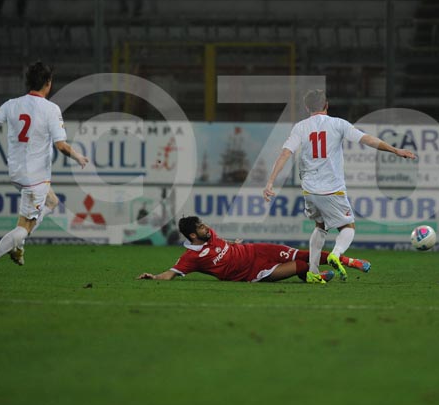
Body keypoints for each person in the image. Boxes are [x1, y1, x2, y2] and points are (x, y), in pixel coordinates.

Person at [262, 89, 416, 282]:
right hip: (331, 188)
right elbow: (367, 139)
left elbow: (285, 153)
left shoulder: (300, 127)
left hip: (309, 189)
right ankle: (336, 253)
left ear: (307, 107)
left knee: (320, 226)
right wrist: (394, 150)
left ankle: (313, 272)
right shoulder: (338, 124)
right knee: (348, 227)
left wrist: (270, 182)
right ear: (326, 104)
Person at [0, 62, 90, 285]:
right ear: (48, 83)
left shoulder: (12, 104)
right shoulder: (51, 109)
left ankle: (18, 247)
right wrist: (78, 156)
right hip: (35, 178)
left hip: (17, 173)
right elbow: (61, 145)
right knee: (25, 227)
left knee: (52, 202)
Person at [136, 216, 371, 284]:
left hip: (257, 250)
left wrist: (232, 243)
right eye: (200, 227)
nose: (206, 227)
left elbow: (221, 243)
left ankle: (350, 261)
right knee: (301, 265)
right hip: (252, 272)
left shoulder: (210, 236)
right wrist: (153, 277)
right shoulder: (191, 257)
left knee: (303, 255)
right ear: (192, 236)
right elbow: (170, 273)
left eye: (203, 224)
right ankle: (312, 276)